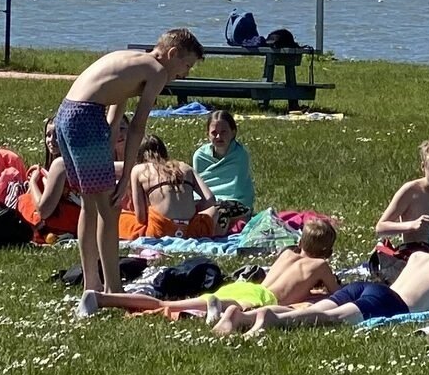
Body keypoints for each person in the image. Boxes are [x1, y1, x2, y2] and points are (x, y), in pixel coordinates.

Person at [47, 30, 206, 297]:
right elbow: (136, 127)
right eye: (186, 65)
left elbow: (114, 117)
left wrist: (108, 160)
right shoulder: (157, 71)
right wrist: (126, 175)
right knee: (110, 210)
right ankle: (113, 289)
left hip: (65, 115)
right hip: (86, 118)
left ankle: (91, 285)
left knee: (90, 205)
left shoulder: (131, 61)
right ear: (172, 54)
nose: (185, 74)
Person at [221, 222, 429, 335]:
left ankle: (243, 317)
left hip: (368, 288)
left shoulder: (418, 255)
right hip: (391, 303)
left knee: (313, 309)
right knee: (331, 319)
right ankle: (271, 319)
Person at [82, 216, 340, 320]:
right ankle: (219, 310)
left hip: (244, 288)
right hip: (263, 299)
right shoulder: (320, 266)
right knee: (175, 307)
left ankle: (101, 298)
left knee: (167, 303)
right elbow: (336, 295)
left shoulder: (287, 253)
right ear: (327, 250)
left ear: (301, 241)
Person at [374, 137, 429, 248]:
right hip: (416, 252)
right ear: (423, 166)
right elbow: (380, 228)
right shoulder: (411, 192)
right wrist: (412, 225)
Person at [125, 135, 214, 240]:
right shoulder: (185, 167)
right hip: (191, 229)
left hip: (161, 229)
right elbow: (210, 199)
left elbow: (141, 218)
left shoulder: (138, 169)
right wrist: (191, 210)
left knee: (123, 219)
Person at [190, 108, 254, 226]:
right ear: (207, 134)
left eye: (223, 132)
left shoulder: (240, 154)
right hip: (206, 202)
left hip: (233, 202)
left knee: (220, 214)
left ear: (233, 132)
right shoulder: (200, 156)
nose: (219, 136)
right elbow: (198, 188)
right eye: (214, 133)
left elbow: (237, 190)